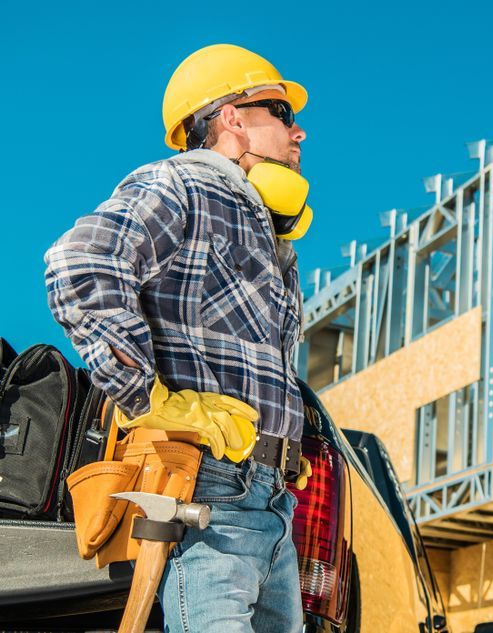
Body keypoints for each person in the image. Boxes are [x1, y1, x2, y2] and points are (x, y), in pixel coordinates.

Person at [44, 44, 311, 632]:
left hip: (270, 502)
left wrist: (287, 439)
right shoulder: (184, 184)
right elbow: (80, 263)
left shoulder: (266, 229)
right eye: (282, 114)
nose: (300, 133)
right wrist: (148, 398)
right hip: (206, 487)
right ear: (232, 117)